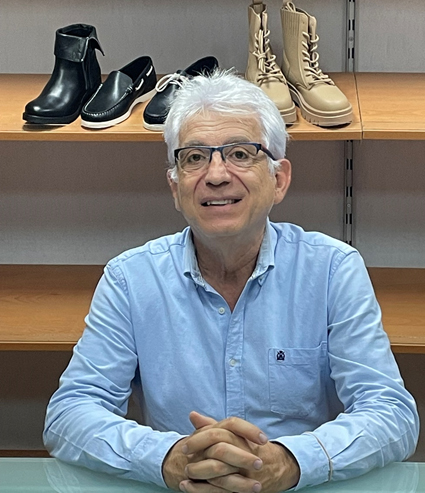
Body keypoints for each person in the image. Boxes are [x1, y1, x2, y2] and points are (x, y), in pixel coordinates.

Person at [44, 70, 419, 493]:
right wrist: (169, 458)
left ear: (279, 180)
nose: (217, 174)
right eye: (194, 158)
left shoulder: (332, 270)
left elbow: (392, 414)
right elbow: (69, 415)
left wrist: (291, 461)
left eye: (241, 154)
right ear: (175, 187)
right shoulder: (131, 279)